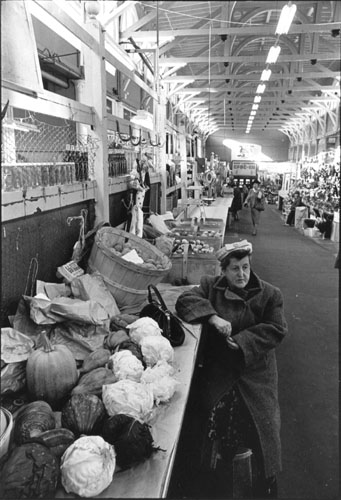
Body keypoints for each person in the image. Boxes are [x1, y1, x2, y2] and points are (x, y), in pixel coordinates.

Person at [175, 240, 288, 498]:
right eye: (235, 269)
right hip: (221, 371)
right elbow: (185, 300)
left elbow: (276, 329)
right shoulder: (210, 287)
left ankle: (265, 482)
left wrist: (241, 341)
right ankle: (216, 479)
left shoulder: (270, 294)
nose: (241, 275)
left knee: (264, 429)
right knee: (210, 425)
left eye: (245, 267)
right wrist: (212, 317)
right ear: (223, 271)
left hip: (256, 373)